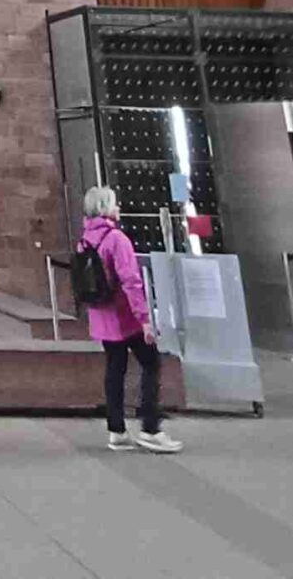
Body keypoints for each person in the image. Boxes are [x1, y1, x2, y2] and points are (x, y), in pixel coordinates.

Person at [79, 185, 181, 453]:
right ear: (104, 208)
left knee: (115, 370)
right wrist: (144, 319)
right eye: (114, 203)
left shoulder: (85, 240)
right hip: (125, 318)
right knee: (151, 362)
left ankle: (117, 431)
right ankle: (150, 427)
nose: (118, 207)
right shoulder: (116, 239)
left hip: (102, 317)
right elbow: (131, 281)